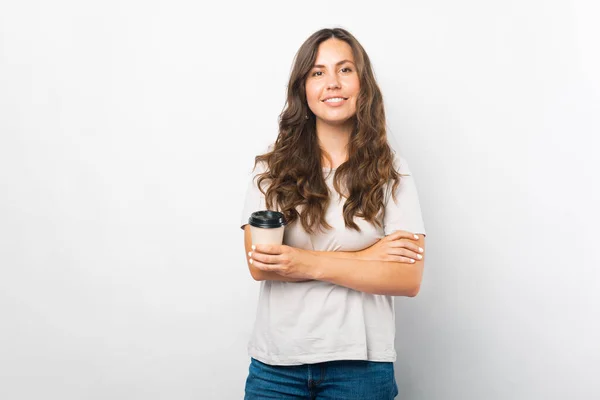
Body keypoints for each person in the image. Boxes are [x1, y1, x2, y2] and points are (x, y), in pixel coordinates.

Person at [239, 27, 426, 400]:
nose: (332, 83)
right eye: (318, 73)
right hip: (277, 367)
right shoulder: (272, 168)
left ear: (362, 83)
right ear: (303, 89)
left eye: (345, 70)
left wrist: (302, 262)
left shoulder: (391, 171)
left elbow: (408, 278)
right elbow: (261, 264)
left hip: (361, 368)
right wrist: (367, 257)